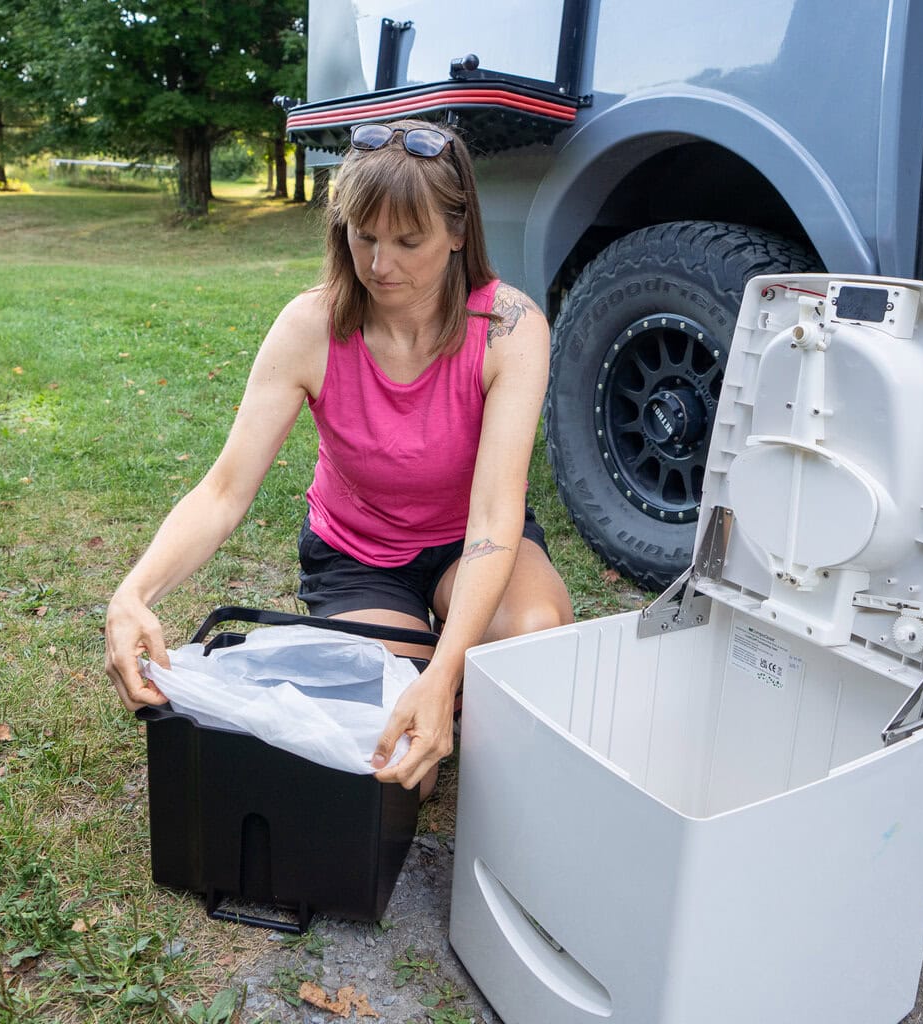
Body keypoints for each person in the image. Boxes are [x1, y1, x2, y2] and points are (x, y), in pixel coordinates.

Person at [104, 118, 574, 795]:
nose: (381, 266)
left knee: (533, 635)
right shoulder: (309, 326)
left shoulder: (510, 326)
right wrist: (134, 592)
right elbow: (223, 491)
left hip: (472, 541)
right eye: (364, 237)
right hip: (359, 557)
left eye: (409, 241)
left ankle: (455, 677)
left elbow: (496, 514)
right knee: (392, 759)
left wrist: (445, 671)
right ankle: (440, 681)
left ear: (458, 232)